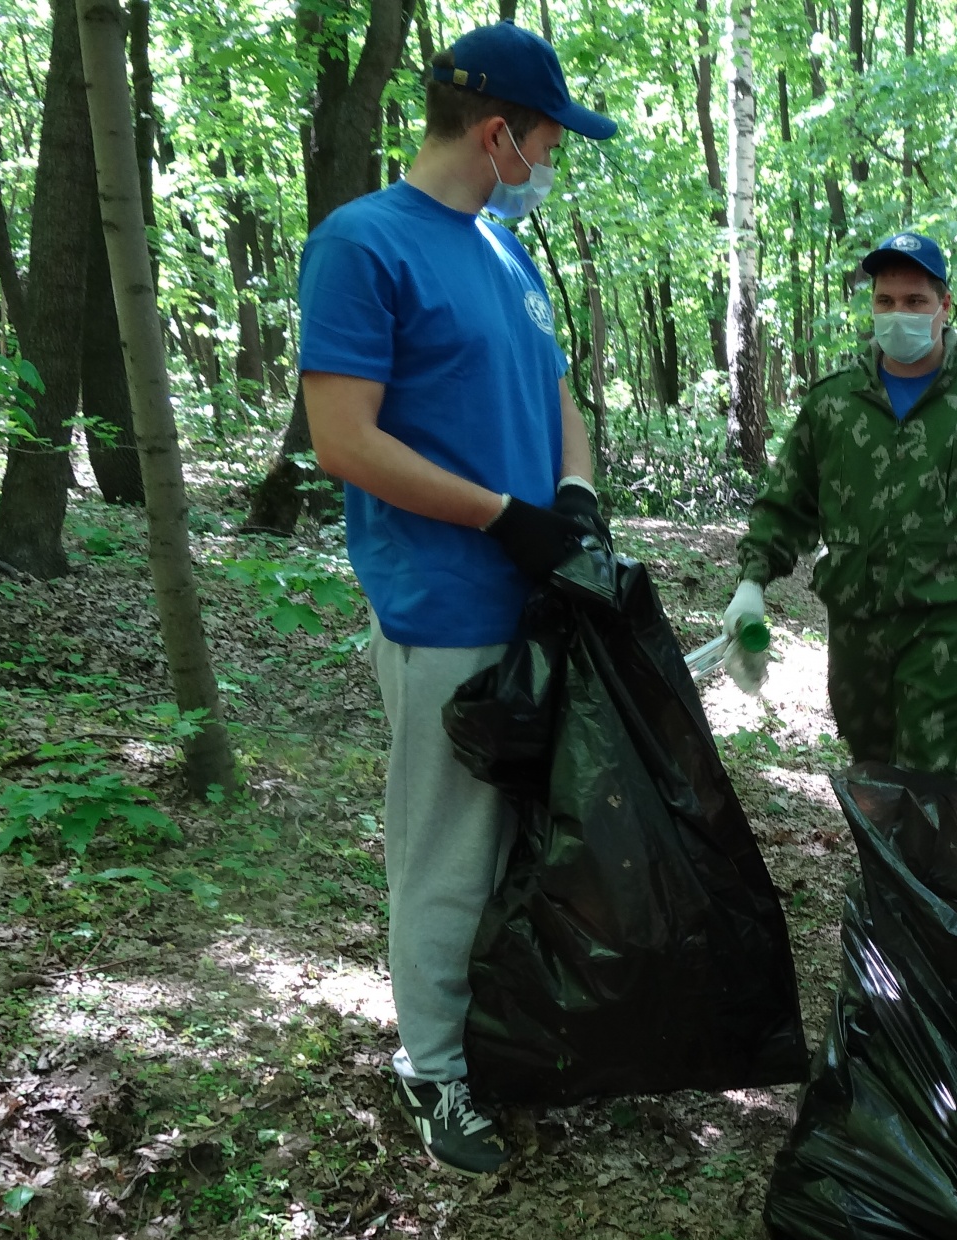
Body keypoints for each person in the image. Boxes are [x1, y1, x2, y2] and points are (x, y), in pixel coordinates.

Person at [297, 23, 616, 1174]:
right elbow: (343, 438)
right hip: (443, 606)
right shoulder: (363, 245)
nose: (550, 159)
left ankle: (498, 1035)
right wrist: (500, 515)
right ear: (497, 134)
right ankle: (433, 1073)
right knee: (445, 854)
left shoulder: (503, 250)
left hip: (536, 601)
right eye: (546, 139)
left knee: (526, 842)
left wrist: (571, 494)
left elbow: (557, 389)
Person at [727, 231, 957, 775]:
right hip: (856, 621)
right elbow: (788, 502)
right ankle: (887, 862)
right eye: (886, 301)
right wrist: (751, 583)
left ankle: (924, 861)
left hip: (947, 621)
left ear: (944, 306)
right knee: (871, 770)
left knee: (926, 777)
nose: (899, 314)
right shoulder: (834, 403)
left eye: (915, 301)